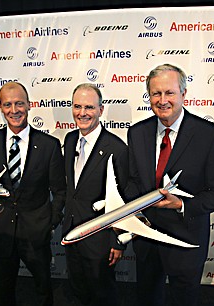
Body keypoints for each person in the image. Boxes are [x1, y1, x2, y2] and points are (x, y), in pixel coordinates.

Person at [126, 64, 214, 306]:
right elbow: (134, 181)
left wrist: (184, 205)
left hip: (186, 239)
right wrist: (126, 212)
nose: (162, 100)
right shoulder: (137, 133)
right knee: (147, 297)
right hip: (147, 237)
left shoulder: (209, 135)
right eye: (156, 93)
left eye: (169, 93)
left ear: (183, 94)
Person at [0, 81, 66, 306]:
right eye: (8, 104)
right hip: (1, 232)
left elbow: (60, 191)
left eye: (19, 103)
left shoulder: (49, 145)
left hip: (36, 232)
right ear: (0, 107)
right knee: (3, 289)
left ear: (29, 105)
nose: (14, 110)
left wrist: (50, 222)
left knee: (43, 289)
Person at [62, 83, 128, 306]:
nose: (82, 113)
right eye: (77, 106)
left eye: (89, 107)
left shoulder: (117, 149)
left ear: (101, 109)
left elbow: (124, 200)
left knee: (102, 295)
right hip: (72, 234)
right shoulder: (70, 140)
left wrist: (118, 241)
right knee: (77, 293)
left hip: (100, 241)